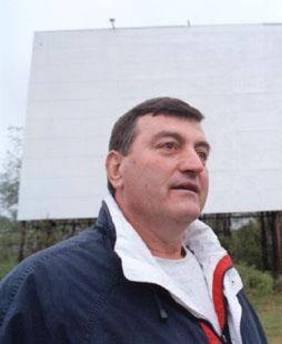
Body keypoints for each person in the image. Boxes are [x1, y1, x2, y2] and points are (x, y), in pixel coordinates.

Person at [0, 97, 267, 343]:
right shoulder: (42, 287)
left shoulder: (220, 274)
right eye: (169, 146)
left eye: (202, 153)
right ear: (116, 169)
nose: (195, 164)